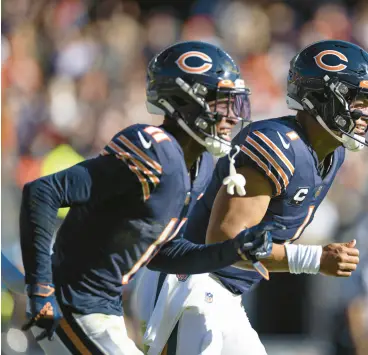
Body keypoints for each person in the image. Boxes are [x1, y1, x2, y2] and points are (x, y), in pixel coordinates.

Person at [19, 41, 276, 355]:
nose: (233, 117)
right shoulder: (153, 150)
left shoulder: (201, 165)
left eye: (234, 104)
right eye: (222, 104)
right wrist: (40, 287)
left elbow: (162, 253)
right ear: (184, 101)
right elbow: (43, 191)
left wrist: (231, 251)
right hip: (72, 300)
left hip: (103, 304)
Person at [139, 39, 368, 355]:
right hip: (192, 286)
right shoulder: (275, 145)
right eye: (358, 100)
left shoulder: (333, 154)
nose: (367, 113)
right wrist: (314, 259)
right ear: (323, 97)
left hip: (223, 293)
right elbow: (226, 240)